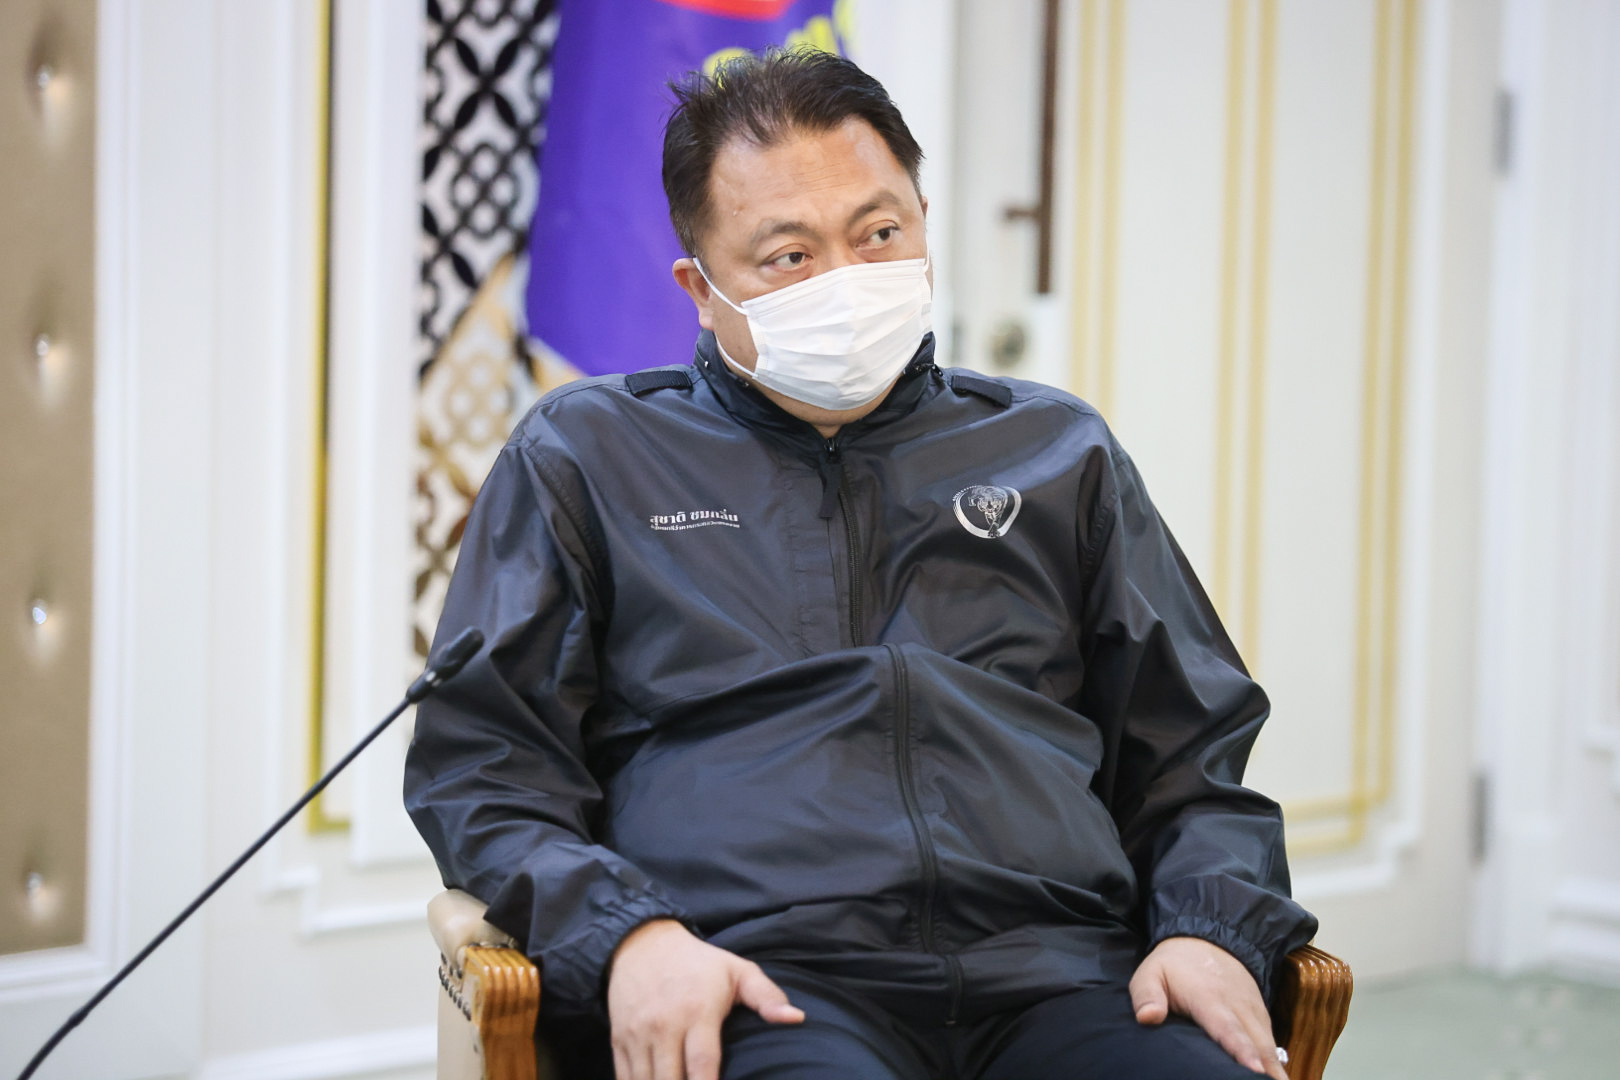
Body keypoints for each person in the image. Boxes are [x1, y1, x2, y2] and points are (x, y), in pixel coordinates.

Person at [405, 48, 1316, 1080]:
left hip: (1067, 974)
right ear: (700, 289)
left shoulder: (1061, 452)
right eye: (789, 256)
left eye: (880, 234)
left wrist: (1208, 927)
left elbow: (1190, 757)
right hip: (757, 980)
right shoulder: (589, 455)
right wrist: (628, 936)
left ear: (924, 226)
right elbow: (487, 768)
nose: (846, 281)